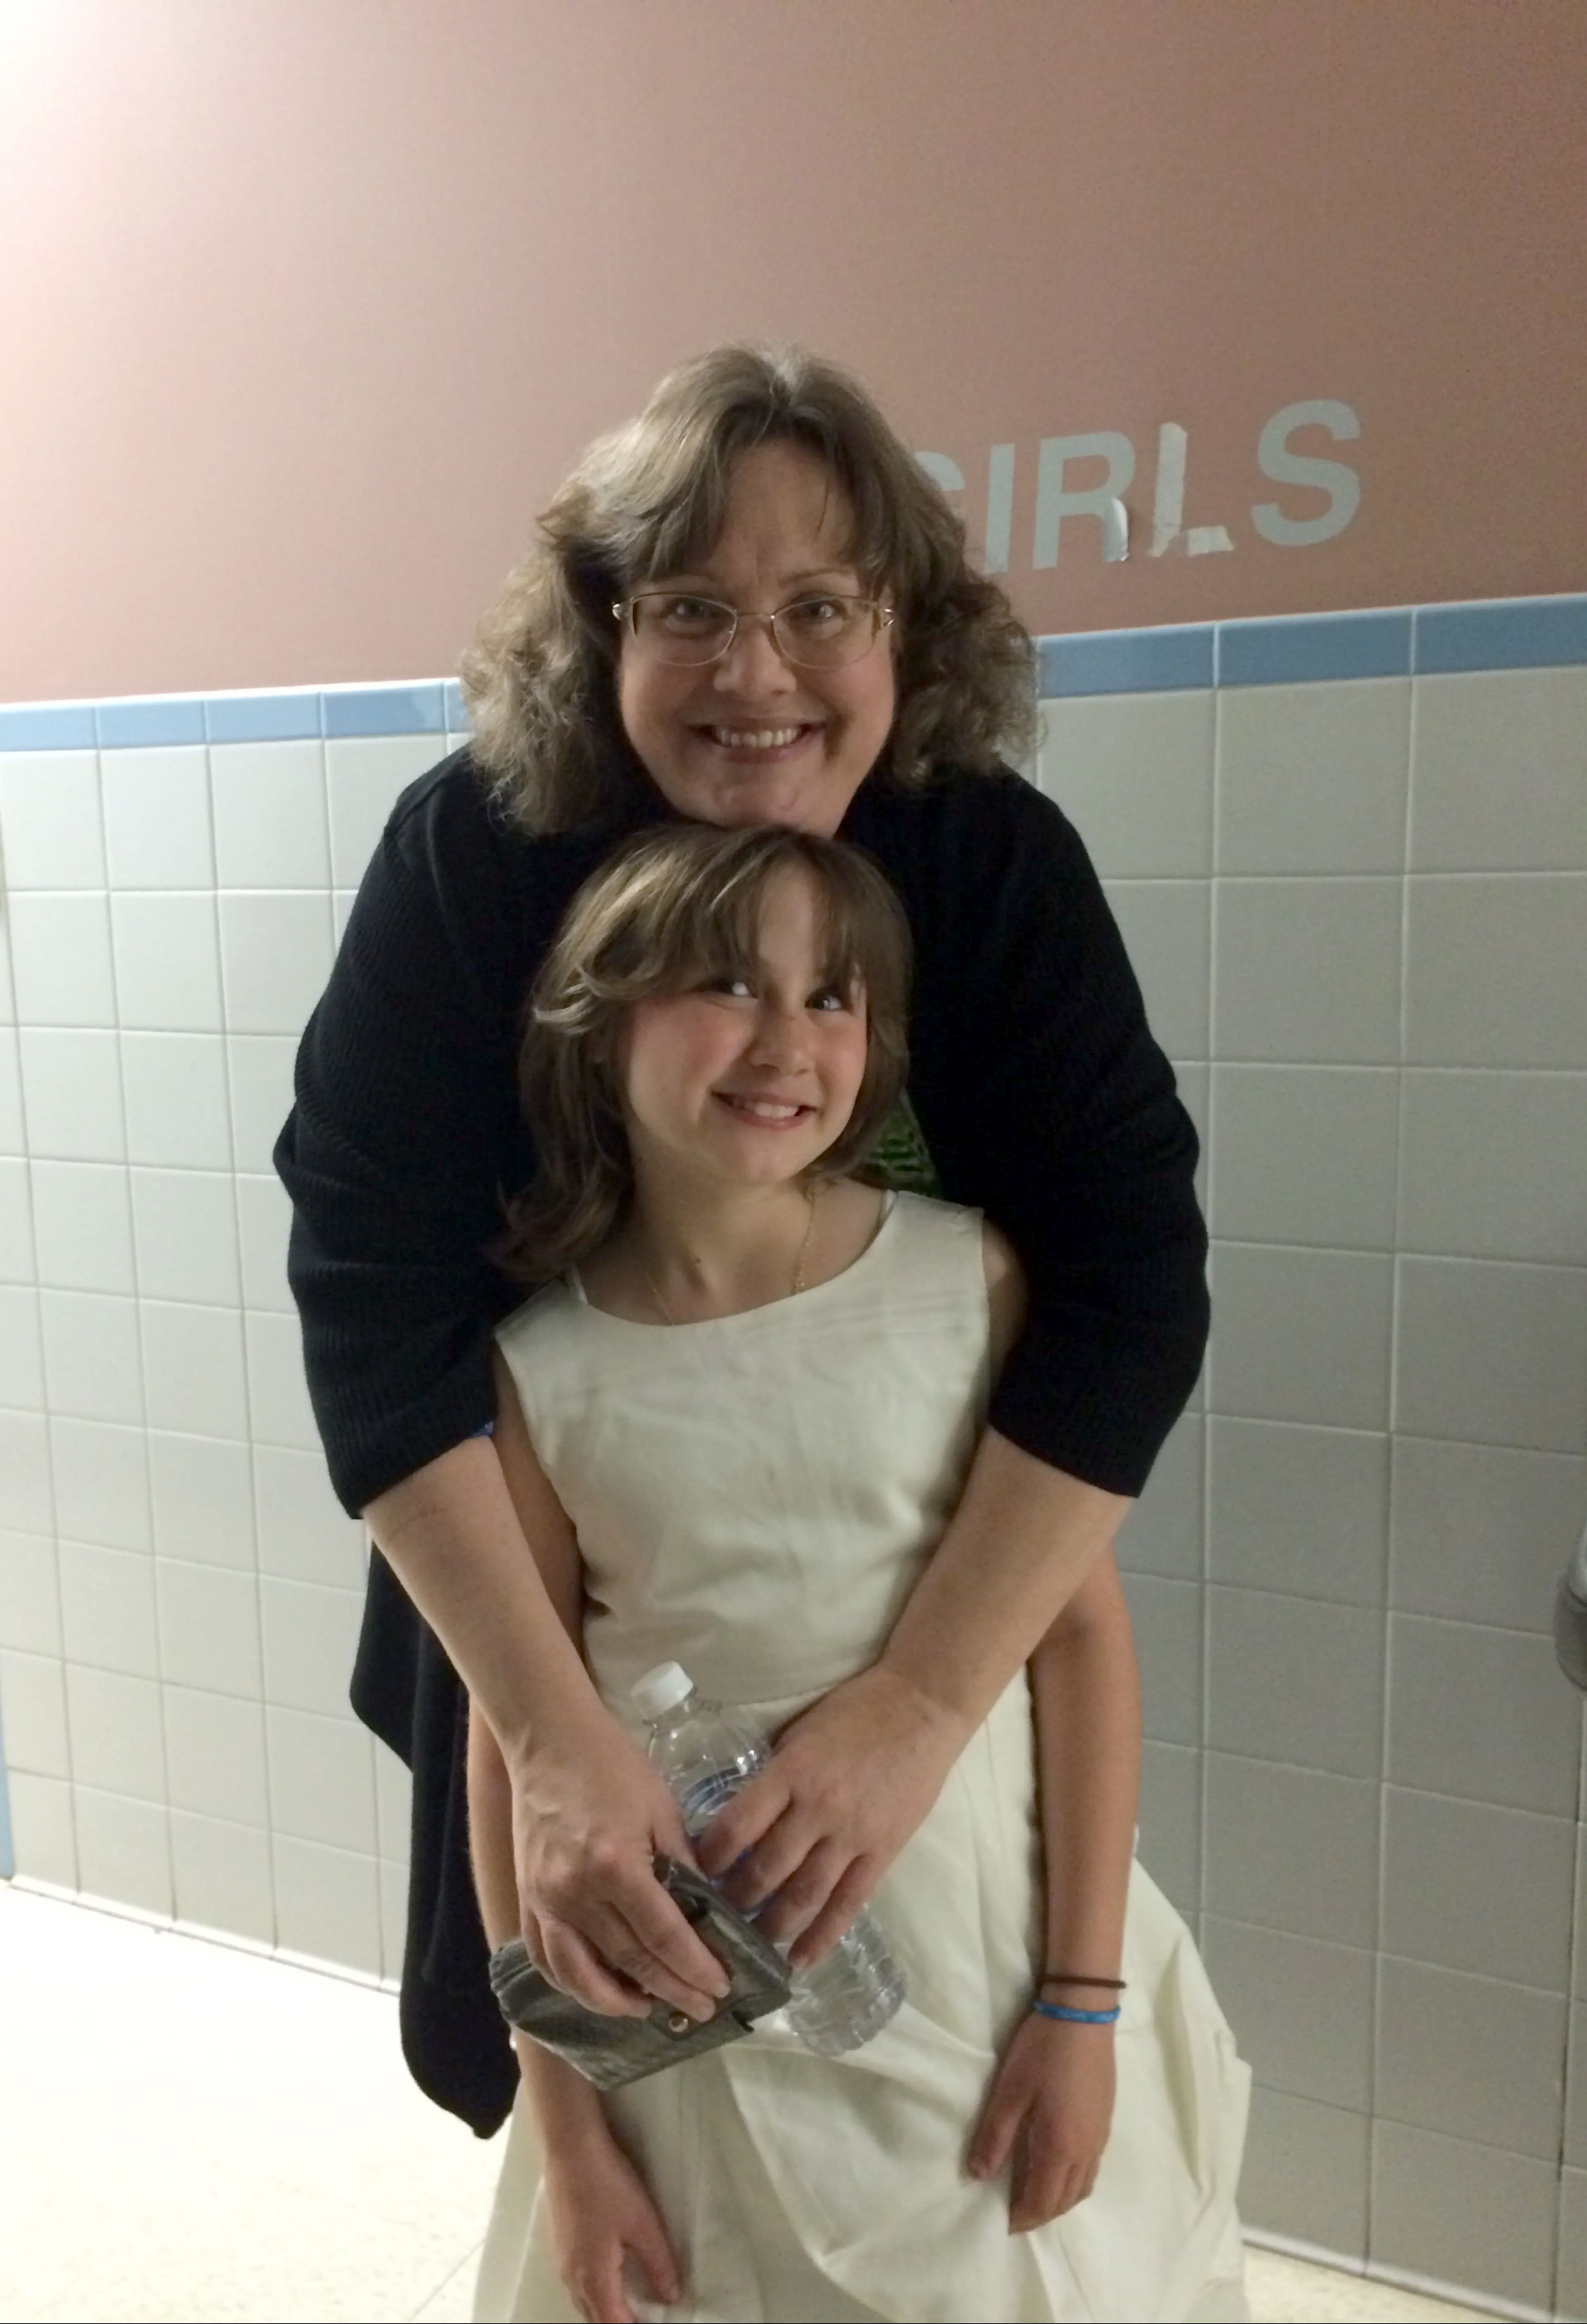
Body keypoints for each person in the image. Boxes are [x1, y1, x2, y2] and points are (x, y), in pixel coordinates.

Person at [275, 344, 1212, 2134]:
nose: (756, 673)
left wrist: (929, 1701)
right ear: (600, 630)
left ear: (907, 634)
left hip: (907, 1577)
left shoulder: (993, 871)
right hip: (569, 1581)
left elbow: (1129, 1290)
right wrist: (549, 1736)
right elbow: (371, 1307)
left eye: (820, 607)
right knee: (619, 2074)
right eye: (691, 606)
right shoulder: (472, 862)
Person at [465, 821, 1248, 2324]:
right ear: (596, 1014)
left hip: (987, 2006)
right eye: (724, 985)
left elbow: (1076, 1644)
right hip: (684, 2061)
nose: (786, 1040)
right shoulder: (539, 1369)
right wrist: (568, 2126)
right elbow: (520, 1739)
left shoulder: (966, 1283)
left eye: (833, 995)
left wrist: (1084, 2006)